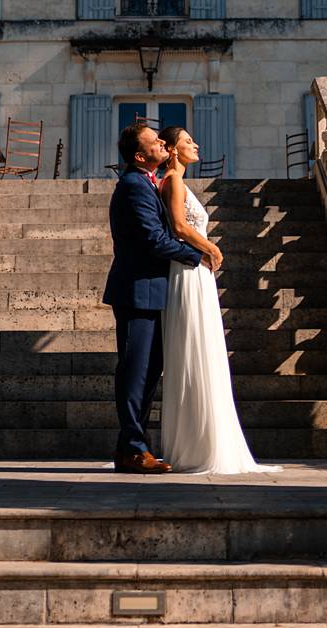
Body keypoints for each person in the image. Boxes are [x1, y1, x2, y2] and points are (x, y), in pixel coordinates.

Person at [158, 125, 277, 474]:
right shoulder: (173, 181)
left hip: (196, 271)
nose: (196, 144)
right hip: (188, 269)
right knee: (195, 347)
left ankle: (206, 440)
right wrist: (211, 247)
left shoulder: (178, 181)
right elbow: (179, 227)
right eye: (188, 141)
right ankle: (197, 445)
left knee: (204, 349)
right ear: (174, 150)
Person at [102, 119, 207, 473]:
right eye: (154, 141)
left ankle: (130, 448)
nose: (163, 143)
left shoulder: (149, 182)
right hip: (137, 291)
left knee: (149, 373)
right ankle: (133, 447)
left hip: (154, 292)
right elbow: (152, 239)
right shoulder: (133, 184)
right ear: (138, 155)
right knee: (135, 373)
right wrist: (197, 256)